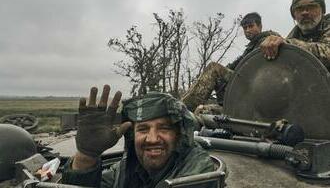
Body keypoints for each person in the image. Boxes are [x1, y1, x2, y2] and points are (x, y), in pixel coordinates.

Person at [62, 85, 216, 188]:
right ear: (132, 136)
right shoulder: (126, 168)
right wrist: (86, 156)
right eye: (143, 129)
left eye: (163, 128)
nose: (152, 138)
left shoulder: (199, 170)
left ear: (178, 135)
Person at [182, 12, 279, 111]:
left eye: (251, 26)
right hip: (245, 85)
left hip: (255, 85)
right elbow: (236, 64)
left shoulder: (268, 41)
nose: (248, 30)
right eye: (245, 28)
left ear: (260, 26)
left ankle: (184, 109)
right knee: (202, 110)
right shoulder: (251, 47)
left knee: (214, 68)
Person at [260, 0, 330, 71]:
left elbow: (327, 52)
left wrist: (290, 46)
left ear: (322, 11)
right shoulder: (291, 37)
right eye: (299, 8)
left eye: (311, 6)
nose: (305, 12)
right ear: (293, 15)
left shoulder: (289, 42)